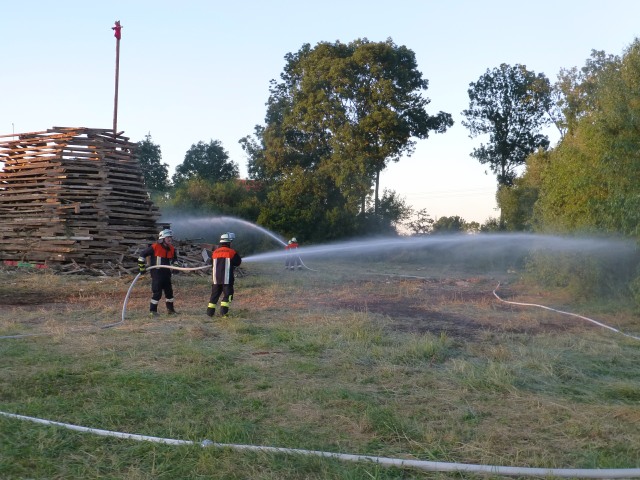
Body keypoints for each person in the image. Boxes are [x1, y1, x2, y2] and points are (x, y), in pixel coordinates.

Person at [137, 228, 179, 316]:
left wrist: (175, 267)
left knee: (169, 293)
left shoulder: (171, 248)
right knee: (157, 293)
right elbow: (142, 255)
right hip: (157, 274)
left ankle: (170, 310)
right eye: (168, 237)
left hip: (167, 274)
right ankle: (153, 311)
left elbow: (175, 259)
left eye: (170, 237)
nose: (170, 239)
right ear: (162, 238)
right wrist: (142, 268)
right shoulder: (155, 247)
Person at [207, 232, 242, 318]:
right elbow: (238, 262)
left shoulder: (214, 253)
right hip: (227, 279)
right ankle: (223, 313)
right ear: (229, 242)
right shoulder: (231, 252)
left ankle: (210, 313)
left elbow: (212, 263)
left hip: (216, 279)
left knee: (214, 296)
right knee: (228, 296)